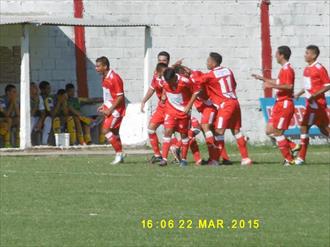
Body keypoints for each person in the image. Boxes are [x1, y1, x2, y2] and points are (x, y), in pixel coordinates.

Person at [193, 53, 252, 165]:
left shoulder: (211, 74)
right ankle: (245, 158)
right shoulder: (228, 70)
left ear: (213, 62)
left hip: (225, 105)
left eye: (208, 61)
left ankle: (214, 160)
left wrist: (190, 73)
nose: (206, 63)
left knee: (219, 131)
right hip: (235, 101)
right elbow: (234, 84)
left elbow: (197, 81)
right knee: (236, 131)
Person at [252, 46, 299, 166]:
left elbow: (289, 86)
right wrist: (262, 79)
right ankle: (293, 146)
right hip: (279, 104)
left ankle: (289, 160)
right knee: (269, 130)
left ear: (282, 55)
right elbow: (278, 82)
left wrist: (270, 86)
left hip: (285, 104)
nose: (275, 56)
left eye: (277, 54)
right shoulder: (283, 69)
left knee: (278, 133)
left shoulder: (288, 69)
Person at [294, 45, 330, 165]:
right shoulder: (307, 69)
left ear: (314, 55)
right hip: (311, 105)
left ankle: (301, 158)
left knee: (304, 126)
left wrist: (315, 95)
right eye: (305, 52)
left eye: (307, 53)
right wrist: (298, 94)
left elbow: (327, 85)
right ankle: (301, 158)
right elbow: (308, 87)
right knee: (324, 129)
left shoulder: (319, 68)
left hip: (317, 105)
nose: (305, 55)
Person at [159, 67, 199, 167]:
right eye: (167, 81)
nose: (169, 83)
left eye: (170, 81)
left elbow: (196, 91)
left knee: (184, 134)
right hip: (170, 109)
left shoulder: (185, 81)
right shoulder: (165, 81)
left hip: (183, 111)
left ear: (174, 77)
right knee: (168, 130)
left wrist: (189, 106)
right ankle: (164, 159)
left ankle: (184, 159)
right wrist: (164, 95)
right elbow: (164, 86)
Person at [96, 56, 126, 164]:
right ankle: (120, 154)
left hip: (116, 110)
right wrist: (104, 105)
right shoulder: (104, 77)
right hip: (110, 108)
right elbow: (109, 95)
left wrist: (110, 109)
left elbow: (120, 97)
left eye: (98, 66)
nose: (96, 68)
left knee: (105, 130)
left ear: (105, 66)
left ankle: (119, 153)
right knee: (114, 132)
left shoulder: (115, 78)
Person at [141, 62, 168, 163]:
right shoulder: (156, 78)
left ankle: (178, 153)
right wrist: (143, 101)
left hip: (171, 108)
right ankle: (157, 155)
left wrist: (165, 96)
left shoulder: (170, 77)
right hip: (161, 108)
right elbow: (151, 90)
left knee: (172, 132)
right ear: (158, 71)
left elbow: (167, 90)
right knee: (150, 129)